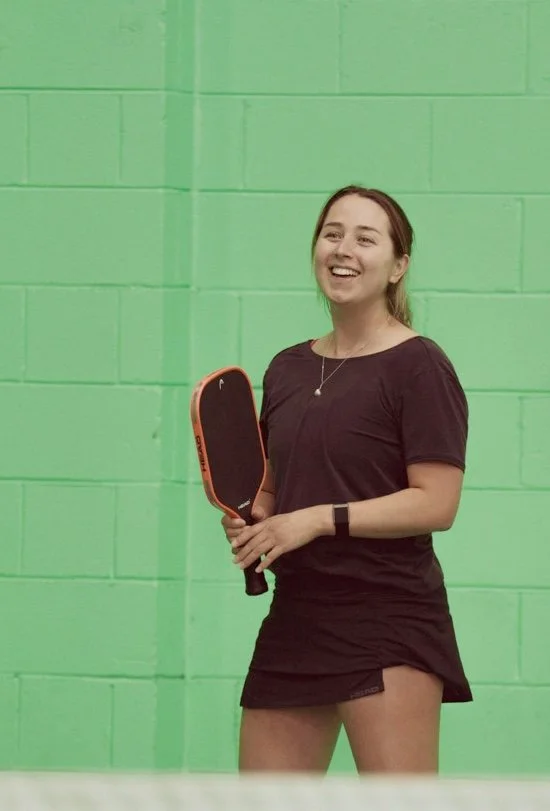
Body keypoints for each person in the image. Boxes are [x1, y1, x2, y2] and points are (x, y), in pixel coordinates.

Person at [222, 185, 472, 775]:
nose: (345, 249)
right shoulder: (286, 367)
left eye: (367, 238)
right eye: (333, 233)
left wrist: (316, 520)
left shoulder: (420, 366)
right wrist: (256, 522)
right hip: (297, 618)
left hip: (388, 617)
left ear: (397, 265)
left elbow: (437, 502)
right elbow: (274, 491)